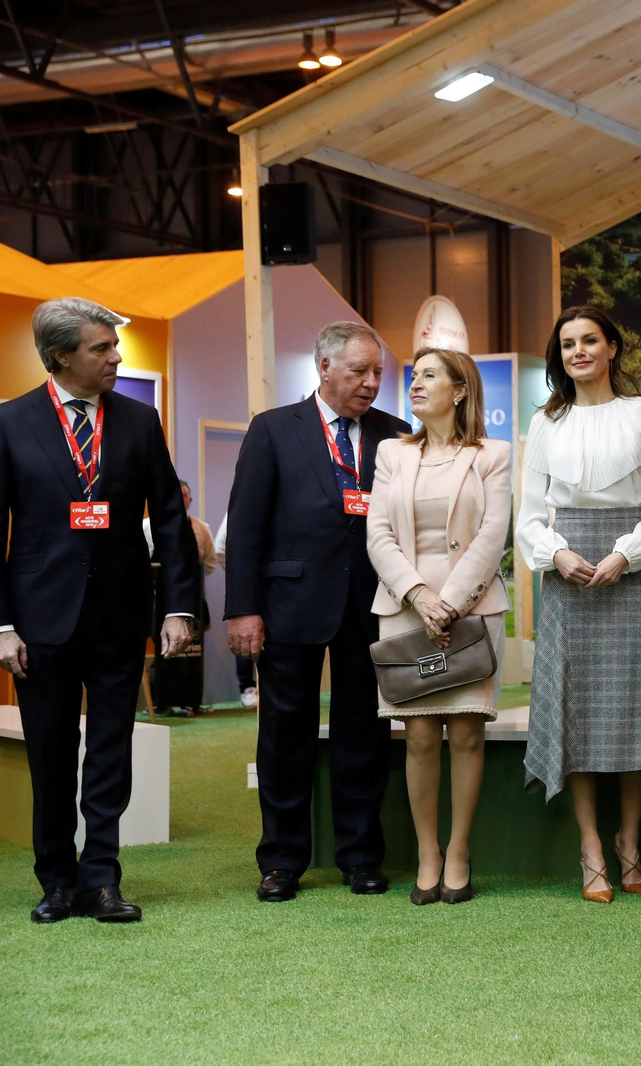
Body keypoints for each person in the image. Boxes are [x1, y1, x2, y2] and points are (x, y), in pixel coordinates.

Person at [0, 297, 199, 923]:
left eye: (113, 345)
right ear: (61, 357)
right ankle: (55, 878)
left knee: (112, 749)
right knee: (50, 753)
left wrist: (179, 605)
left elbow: (169, 515)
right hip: (37, 623)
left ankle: (102, 876)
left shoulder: (137, 419)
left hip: (119, 616)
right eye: (101, 348)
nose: (116, 357)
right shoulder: (12, 423)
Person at [225, 321, 411, 903]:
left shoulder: (396, 435)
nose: (371, 383)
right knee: (284, 735)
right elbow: (248, 528)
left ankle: (360, 857)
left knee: (364, 733)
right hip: (289, 604)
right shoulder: (274, 429)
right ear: (324, 367)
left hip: (372, 605)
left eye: (378, 372)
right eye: (359, 370)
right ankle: (281, 860)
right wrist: (242, 610)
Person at [518, 306, 641, 904]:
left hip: (626, 571)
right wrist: (558, 555)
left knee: (633, 706)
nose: (578, 351)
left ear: (612, 347)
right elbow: (530, 516)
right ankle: (589, 847)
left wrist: (626, 555)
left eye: (590, 340)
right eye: (567, 344)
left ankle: (628, 841)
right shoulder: (545, 422)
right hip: (566, 574)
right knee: (576, 709)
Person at [368, 347, 512, 906]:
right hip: (404, 605)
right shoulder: (391, 454)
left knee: (467, 733)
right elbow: (378, 534)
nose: (415, 384)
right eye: (413, 376)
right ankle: (427, 853)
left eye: (429, 375)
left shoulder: (492, 454)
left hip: (471, 609)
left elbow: (493, 533)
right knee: (420, 736)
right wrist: (420, 596)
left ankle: (458, 852)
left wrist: (449, 602)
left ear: (459, 390)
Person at [145, 480, 214, 716]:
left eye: (185, 495)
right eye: (177, 494)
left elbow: (209, 562)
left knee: (191, 652)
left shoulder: (201, 527)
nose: (181, 499)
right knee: (164, 652)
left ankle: (191, 701)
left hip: (191, 598)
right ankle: (161, 702)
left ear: (190, 500)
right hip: (156, 600)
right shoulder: (145, 526)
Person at [214, 515, 258, 707]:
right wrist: (238, 573)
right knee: (245, 632)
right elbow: (219, 548)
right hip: (248, 582)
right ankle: (247, 688)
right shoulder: (242, 504)